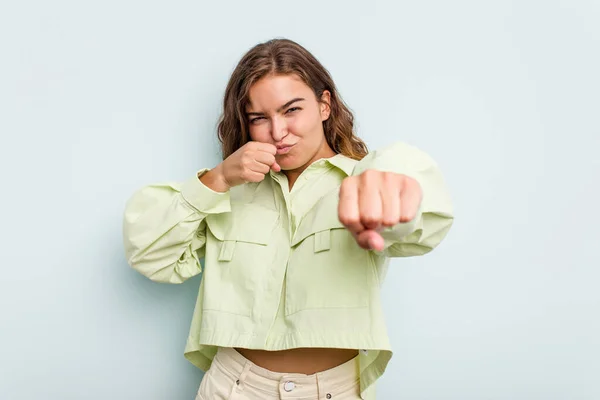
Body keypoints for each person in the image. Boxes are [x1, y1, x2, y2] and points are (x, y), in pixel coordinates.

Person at [122, 38, 454, 400]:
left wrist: (391, 184)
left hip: (333, 391)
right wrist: (216, 179)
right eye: (259, 118)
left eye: (292, 110)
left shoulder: (363, 179)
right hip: (231, 387)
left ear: (324, 105)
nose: (278, 133)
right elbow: (150, 254)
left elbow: (418, 212)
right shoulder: (226, 191)